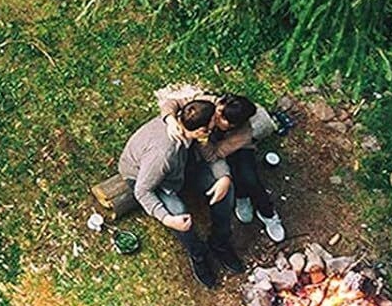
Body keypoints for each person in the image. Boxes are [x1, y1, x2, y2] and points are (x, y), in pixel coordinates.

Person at [118, 97, 241, 289]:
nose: (215, 124)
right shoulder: (163, 154)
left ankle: (219, 242)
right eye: (212, 125)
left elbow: (210, 154)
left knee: (226, 189)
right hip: (151, 179)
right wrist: (166, 218)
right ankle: (198, 254)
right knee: (179, 215)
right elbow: (142, 190)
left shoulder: (190, 124)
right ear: (201, 130)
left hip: (180, 167)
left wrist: (224, 177)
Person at [207, 94, 285, 243]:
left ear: (233, 125)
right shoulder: (213, 104)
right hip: (214, 148)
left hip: (233, 148)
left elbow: (217, 153)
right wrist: (170, 119)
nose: (217, 117)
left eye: (222, 119)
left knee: (249, 177)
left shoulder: (243, 133)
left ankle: (267, 213)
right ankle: (242, 196)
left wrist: (204, 139)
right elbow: (175, 103)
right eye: (218, 111)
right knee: (234, 175)